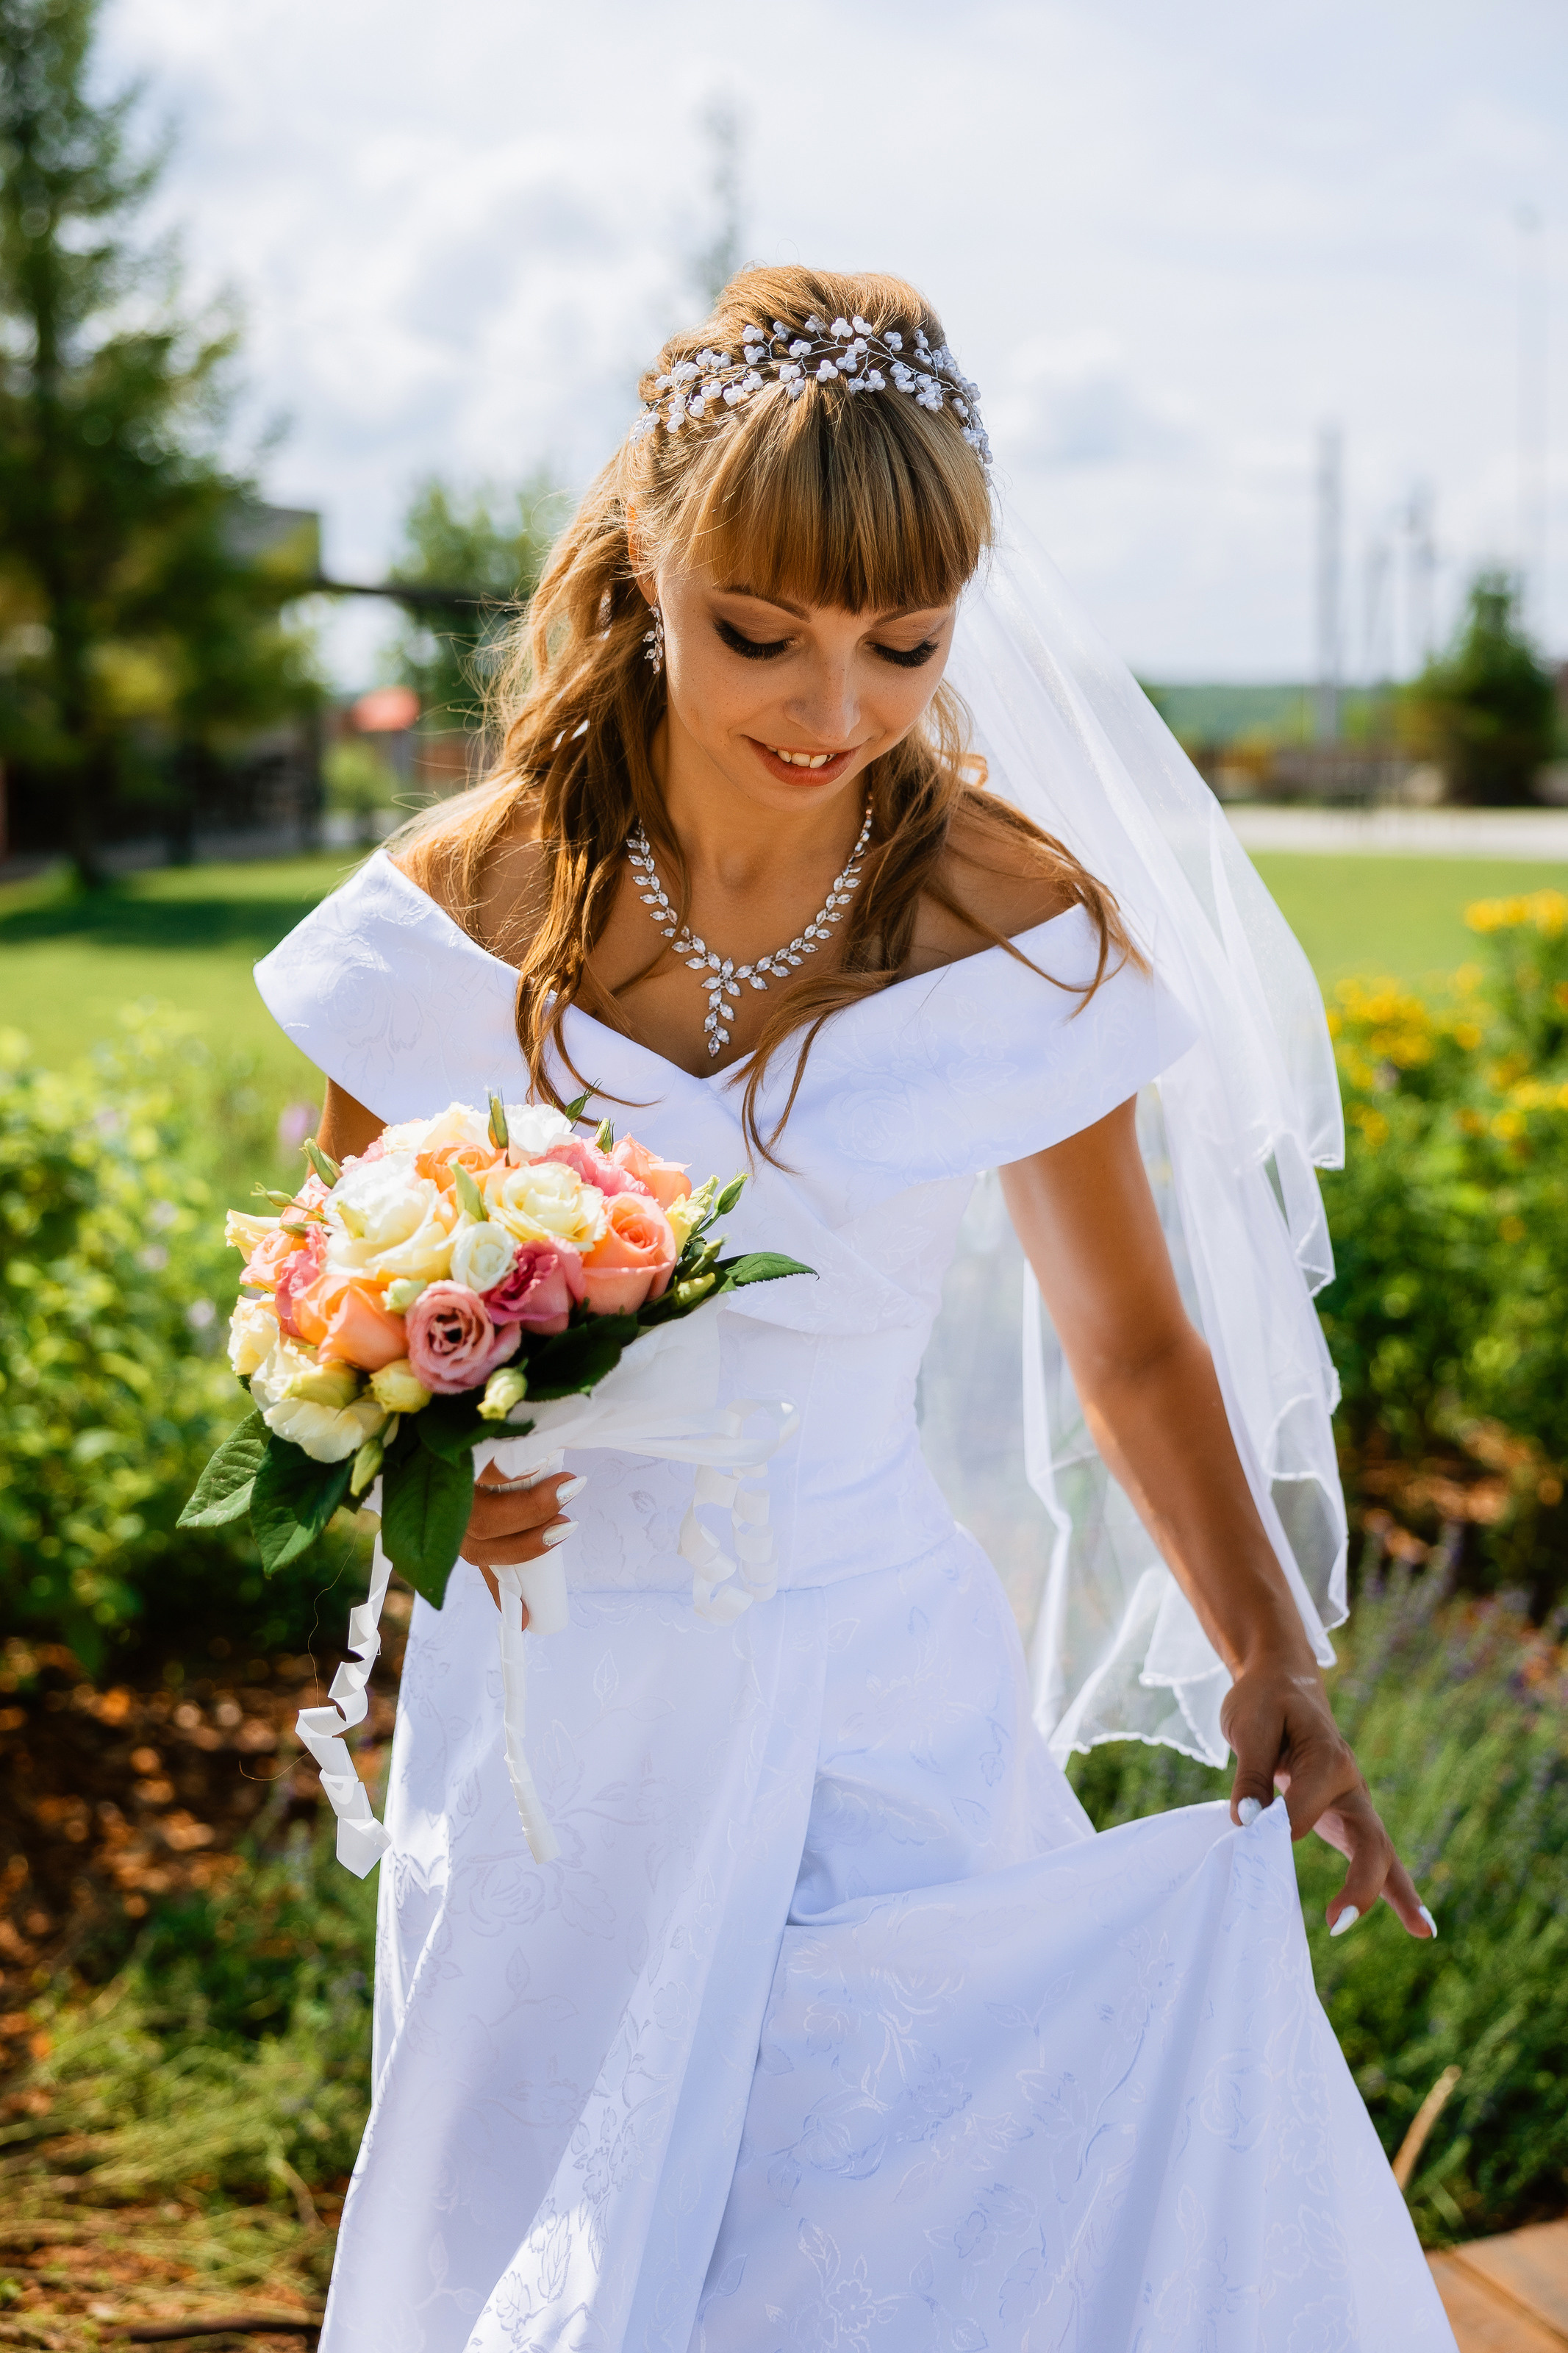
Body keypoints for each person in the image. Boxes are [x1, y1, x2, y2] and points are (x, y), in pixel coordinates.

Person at [256, 267, 1456, 2350]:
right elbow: (328, 1309)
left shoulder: (1005, 918)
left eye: (905, 646)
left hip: (870, 1682)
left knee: (882, 2233)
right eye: (763, 633)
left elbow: (1138, 1342)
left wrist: (1276, 1657)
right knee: (555, 2232)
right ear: (649, 559)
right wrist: (421, 1492)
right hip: (558, 1727)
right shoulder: (454, 912)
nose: (836, 709)